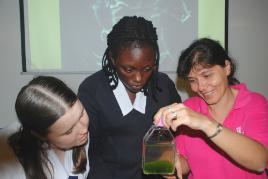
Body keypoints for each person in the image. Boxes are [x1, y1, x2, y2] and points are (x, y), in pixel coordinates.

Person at [78, 16, 181, 179]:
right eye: (128, 69)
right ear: (112, 58)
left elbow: (179, 135)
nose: (139, 78)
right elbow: (85, 148)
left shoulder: (163, 87)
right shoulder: (93, 90)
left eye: (147, 68)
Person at [154, 38, 268, 179]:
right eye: (192, 80)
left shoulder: (253, 103)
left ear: (227, 67)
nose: (200, 87)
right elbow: (185, 164)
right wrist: (169, 162)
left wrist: (205, 123)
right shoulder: (190, 108)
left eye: (207, 75)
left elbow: (260, 162)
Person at [0, 76, 90, 179]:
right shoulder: (9, 167)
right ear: (41, 135)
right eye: (69, 131)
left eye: (81, 113)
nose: (84, 129)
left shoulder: (80, 133)